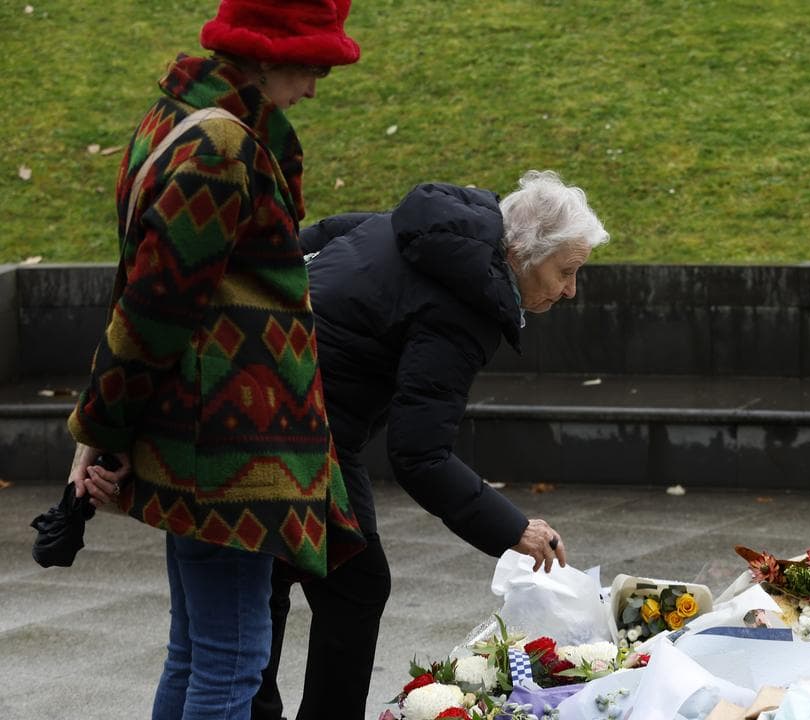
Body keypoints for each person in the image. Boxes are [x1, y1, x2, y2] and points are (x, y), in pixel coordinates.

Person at [64, 2, 367, 718]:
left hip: (202, 439)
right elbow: (155, 308)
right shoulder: (221, 148)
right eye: (314, 67)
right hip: (230, 452)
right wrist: (99, 431)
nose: (317, 88)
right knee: (230, 665)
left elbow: (148, 295)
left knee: (197, 653)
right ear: (267, 54)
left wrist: (101, 427)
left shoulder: (175, 117)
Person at [251, 171, 609, 720]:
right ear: (525, 253)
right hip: (294, 427)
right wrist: (514, 528)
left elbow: (320, 235)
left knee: (282, 576)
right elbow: (420, 454)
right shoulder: (463, 304)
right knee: (345, 583)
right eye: (566, 272)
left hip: (265, 397)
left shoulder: (432, 229)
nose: (570, 291)